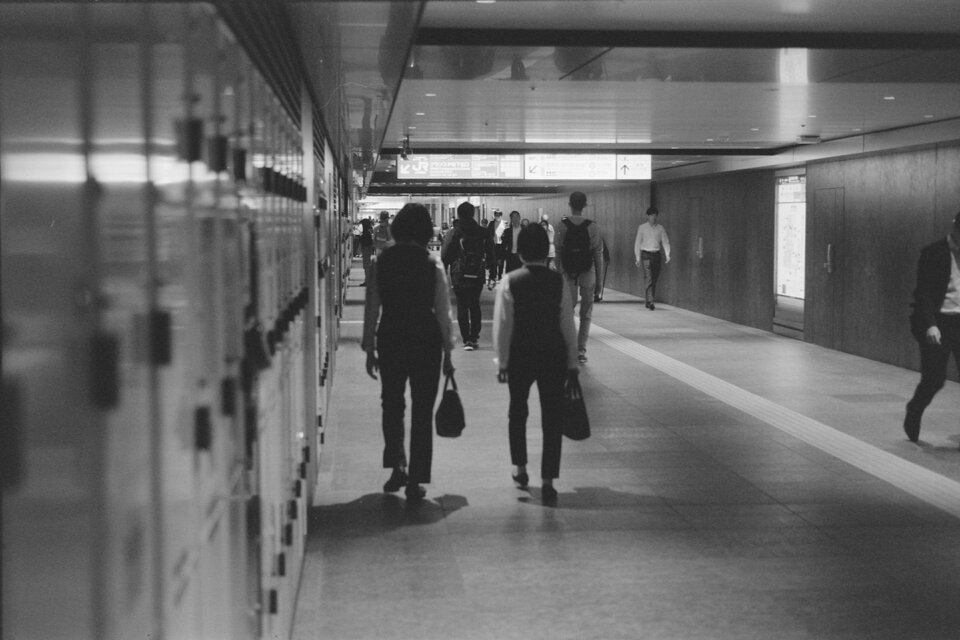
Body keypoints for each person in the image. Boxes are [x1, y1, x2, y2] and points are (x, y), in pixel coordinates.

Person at [362, 203, 455, 502]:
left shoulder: (381, 261)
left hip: (391, 336)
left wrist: (368, 347)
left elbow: (372, 308)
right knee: (422, 409)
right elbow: (443, 313)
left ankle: (397, 466)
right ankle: (416, 477)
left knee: (392, 404)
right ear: (426, 231)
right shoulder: (433, 263)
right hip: (426, 340)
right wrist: (449, 353)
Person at [493, 224, 579, 506]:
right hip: (553, 354)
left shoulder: (510, 280)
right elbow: (567, 325)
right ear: (546, 250)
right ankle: (548, 480)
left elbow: (503, 325)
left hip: (520, 354)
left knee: (517, 411)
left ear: (521, 252)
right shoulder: (559, 282)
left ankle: (520, 468)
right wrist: (572, 362)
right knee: (552, 417)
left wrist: (502, 361)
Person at [904, 211, 960, 444]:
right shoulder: (933, 252)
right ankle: (914, 410)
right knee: (935, 379)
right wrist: (930, 325)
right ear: (956, 228)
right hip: (938, 322)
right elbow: (924, 292)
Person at [554, 191, 604, 364]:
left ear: (570, 204)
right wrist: (599, 282)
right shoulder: (593, 227)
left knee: (567, 313)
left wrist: (559, 275)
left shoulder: (561, 226)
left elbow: (558, 253)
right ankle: (581, 351)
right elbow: (598, 255)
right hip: (588, 273)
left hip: (568, 274)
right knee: (586, 314)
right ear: (584, 205)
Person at [442, 201, 492, 351]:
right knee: (475, 304)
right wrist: (494, 273)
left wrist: (443, 271)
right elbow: (491, 252)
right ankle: (474, 337)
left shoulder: (455, 232)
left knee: (462, 305)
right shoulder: (483, 231)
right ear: (473, 213)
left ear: (458, 214)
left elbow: (446, 253)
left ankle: (467, 339)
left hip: (459, 274)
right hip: (477, 272)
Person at [633, 206, 671, 310]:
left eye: (655, 216)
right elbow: (637, 242)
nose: (653, 218)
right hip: (646, 254)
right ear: (647, 216)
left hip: (656, 255)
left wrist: (667, 254)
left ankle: (648, 300)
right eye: (651, 216)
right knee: (648, 278)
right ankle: (650, 301)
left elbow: (665, 241)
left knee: (654, 279)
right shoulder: (642, 228)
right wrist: (638, 257)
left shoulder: (660, 228)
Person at [489, 209, 507, 283]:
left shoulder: (504, 223)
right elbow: (489, 233)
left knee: (501, 261)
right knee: (493, 260)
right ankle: (493, 275)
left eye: (499, 215)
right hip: (493, 244)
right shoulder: (491, 223)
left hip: (501, 245)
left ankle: (500, 275)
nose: (497, 216)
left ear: (501, 215)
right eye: (496, 215)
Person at [358, 218, 374, 286]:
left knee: (366, 266)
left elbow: (364, 242)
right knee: (366, 266)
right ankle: (367, 280)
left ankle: (367, 281)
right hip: (367, 251)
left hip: (366, 251)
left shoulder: (366, 233)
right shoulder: (368, 232)